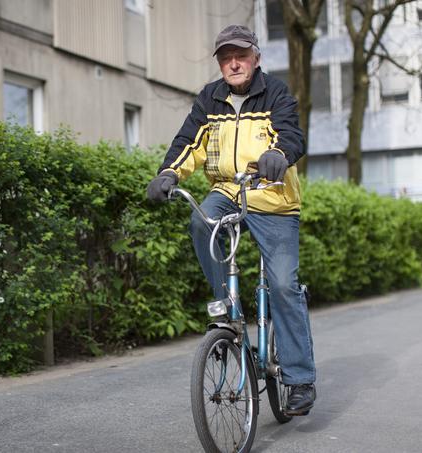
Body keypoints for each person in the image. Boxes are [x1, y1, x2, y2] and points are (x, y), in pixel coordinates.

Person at [146, 24, 316, 415]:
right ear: (220, 63)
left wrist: (279, 155)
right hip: (227, 189)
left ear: (256, 58)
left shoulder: (275, 92)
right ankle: (224, 306)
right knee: (200, 221)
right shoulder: (210, 97)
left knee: (284, 286)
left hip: (271, 194)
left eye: (240, 55)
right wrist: (169, 173)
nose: (233, 63)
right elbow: (188, 141)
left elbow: (291, 133)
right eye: (226, 57)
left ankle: (300, 377)